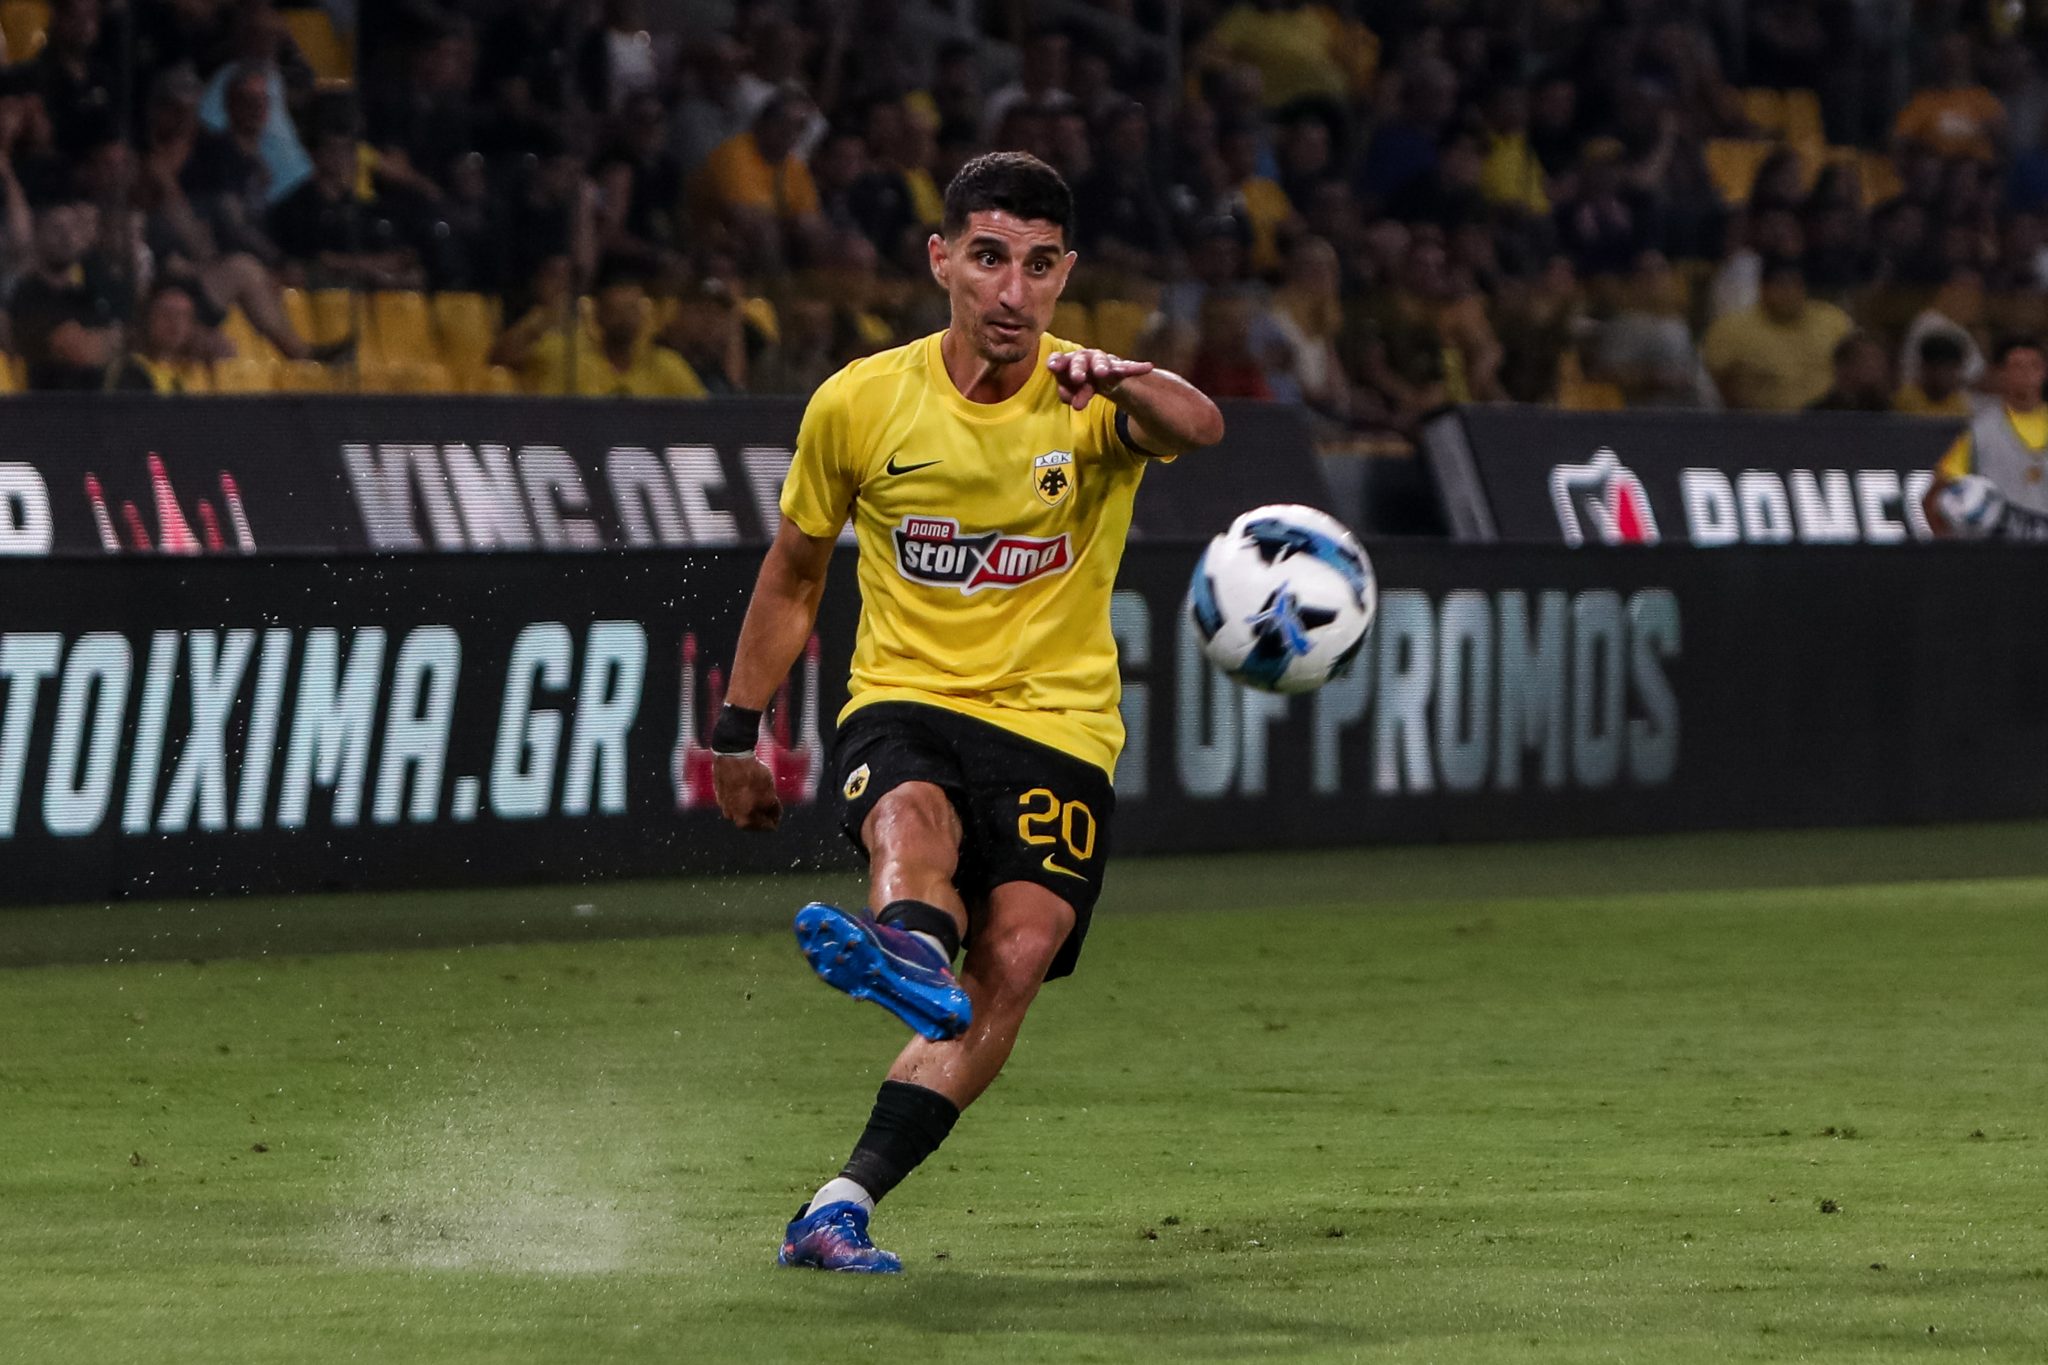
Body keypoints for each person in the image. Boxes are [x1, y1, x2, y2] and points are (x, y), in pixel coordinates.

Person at [710, 151, 1223, 1274]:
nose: (1011, 290)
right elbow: (794, 574)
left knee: (1019, 956)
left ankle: (838, 1204)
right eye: (989, 258)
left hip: (1058, 727)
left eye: (1038, 266)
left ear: (1064, 274)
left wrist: (1124, 377)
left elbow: (1199, 425)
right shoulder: (860, 401)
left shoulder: (1090, 402)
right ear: (941, 259)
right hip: (907, 696)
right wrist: (736, 733)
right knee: (911, 820)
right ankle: (907, 947)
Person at [1926, 337, 2048, 538]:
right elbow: (1933, 497)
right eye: (2018, 366)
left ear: (2044, 371)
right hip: (1999, 548)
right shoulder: (1981, 432)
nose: (2027, 374)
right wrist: (1951, 549)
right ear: (2001, 373)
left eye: (2034, 366)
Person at [1699, 257, 1852, 411]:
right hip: (1760, 421)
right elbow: (1714, 381)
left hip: (1829, 419)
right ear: (1763, 288)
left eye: (1795, 284)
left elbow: (1854, 365)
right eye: (1781, 285)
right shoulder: (1732, 328)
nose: (1789, 292)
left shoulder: (1833, 320)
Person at [1806, 330, 1892, 411]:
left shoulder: (1884, 411)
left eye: (1879, 361)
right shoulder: (1817, 414)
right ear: (1843, 366)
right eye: (1869, 362)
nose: (1879, 370)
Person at [1894, 333, 1973, 417]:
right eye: (1939, 368)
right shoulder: (1904, 400)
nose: (1944, 376)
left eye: (1951, 370)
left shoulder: (1962, 404)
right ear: (1925, 367)